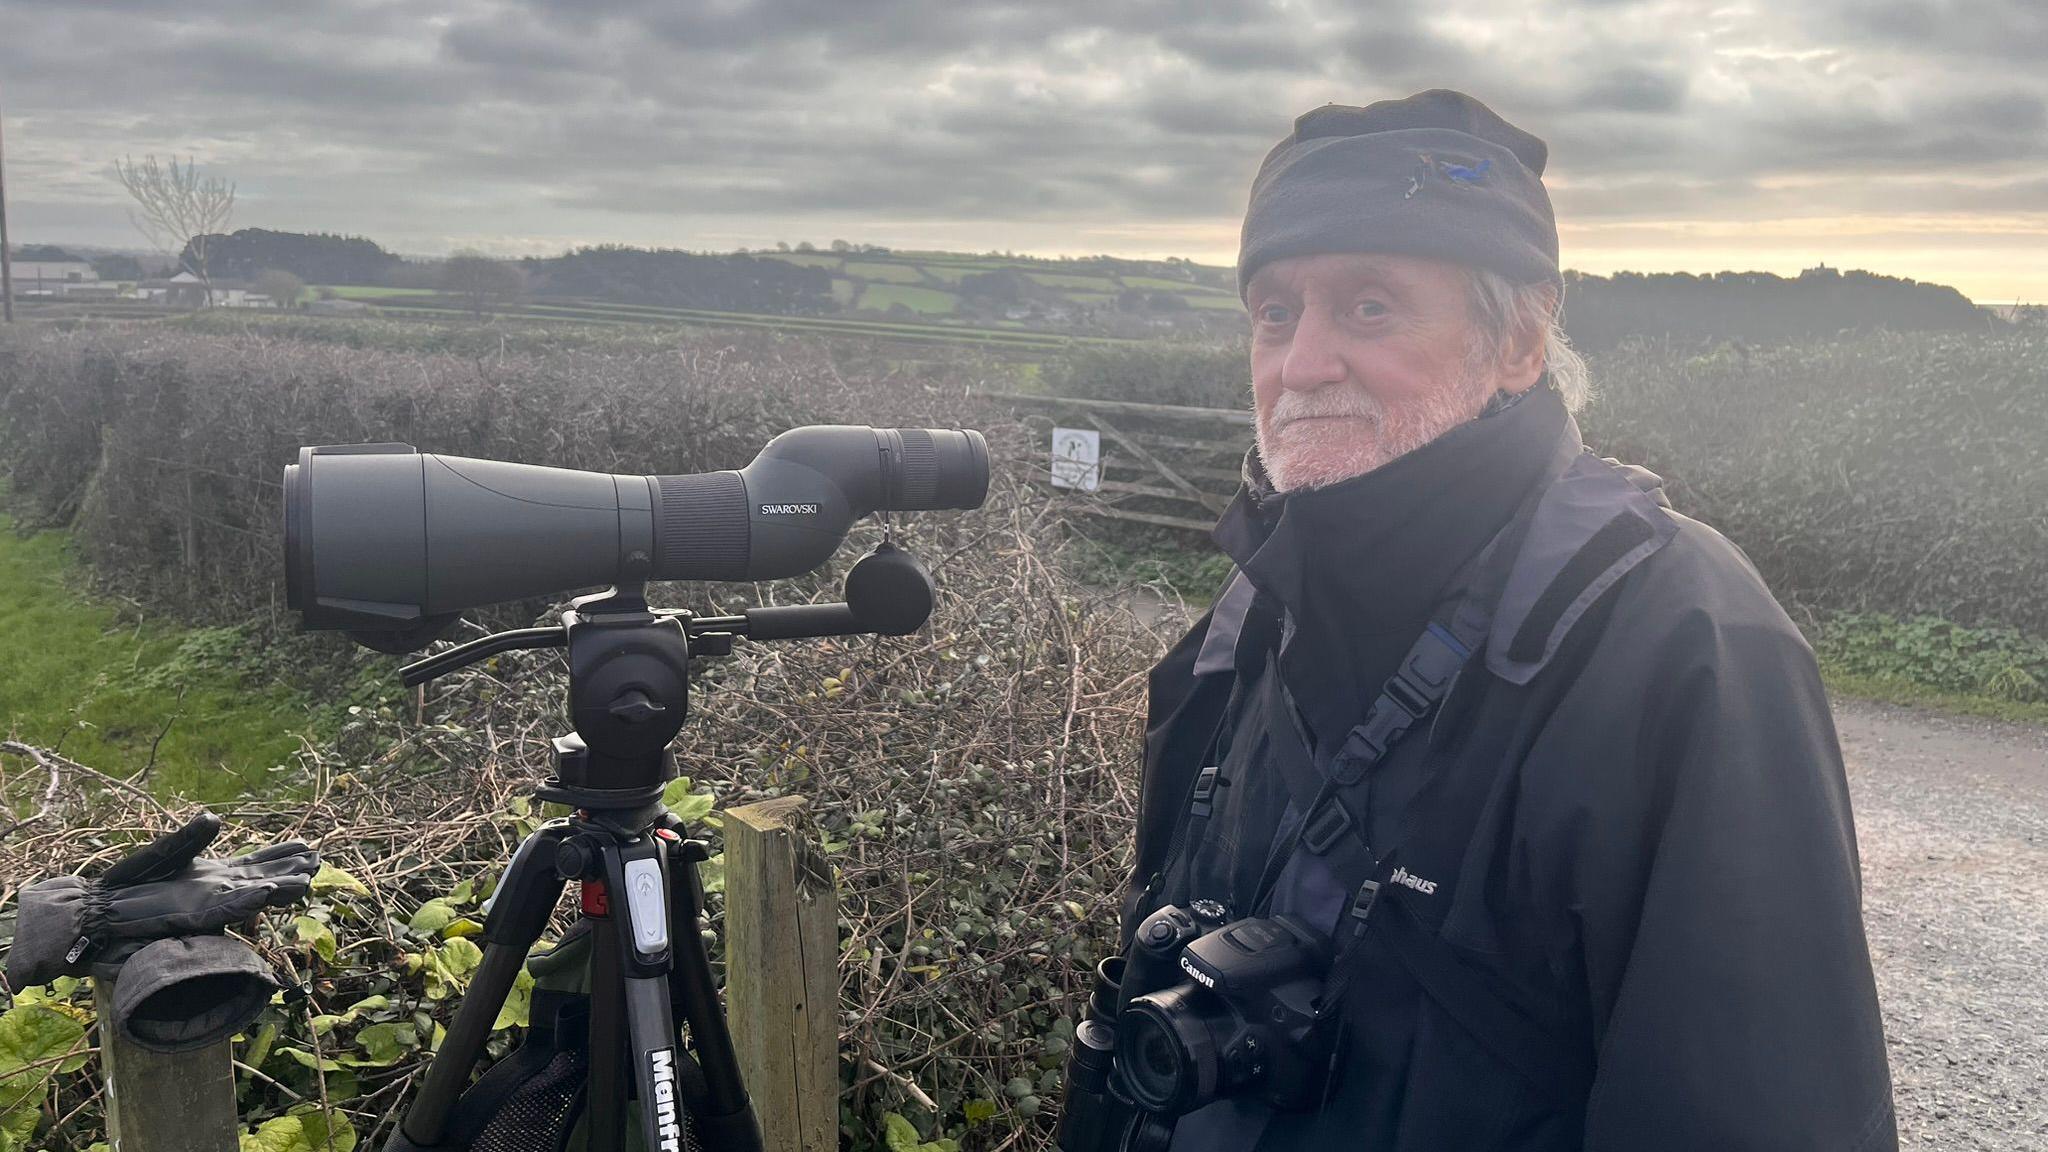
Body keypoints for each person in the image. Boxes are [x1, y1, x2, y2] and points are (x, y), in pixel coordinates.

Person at [1105, 90, 1896, 1151]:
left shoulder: (1680, 644)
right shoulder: (1243, 618)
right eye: (1273, 312)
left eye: (1369, 306)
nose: (1298, 365)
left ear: (1518, 339)